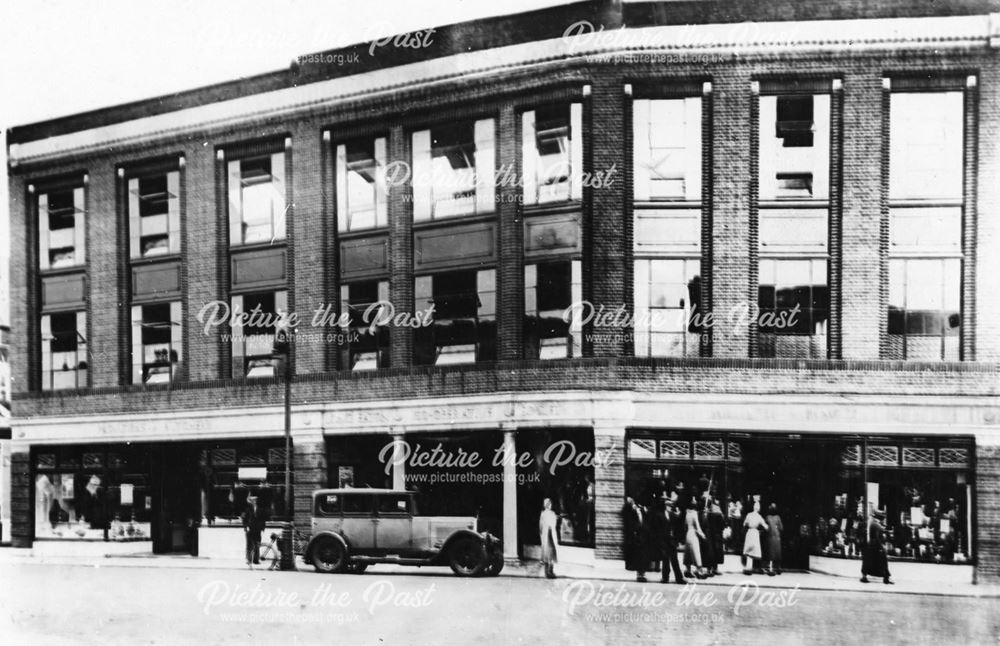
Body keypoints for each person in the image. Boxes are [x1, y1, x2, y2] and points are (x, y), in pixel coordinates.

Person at [649, 494, 685, 585]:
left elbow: (678, 521)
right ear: (665, 506)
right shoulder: (659, 515)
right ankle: (665, 578)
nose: (670, 507)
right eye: (668, 506)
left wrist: (680, 512)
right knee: (665, 560)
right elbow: (657, 529)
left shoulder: (672, 515)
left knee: (674, 560)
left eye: (670, 506)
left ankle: (679, 578)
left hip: (671, 540)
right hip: (663, 540)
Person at [861, 508, 893, 584]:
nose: (883, 519)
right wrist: (882, 547)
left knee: (869, 562)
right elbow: (877, 537)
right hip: (876, 546)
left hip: (872, 546)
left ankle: (864, 576)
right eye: (882, 517)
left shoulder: (873, 523)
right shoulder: (876, 524)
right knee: (883, 562)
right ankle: (886, 578)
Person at [623, 497, 650, 582]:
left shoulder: (643, 512)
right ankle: (639, 574)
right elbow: (628, 519)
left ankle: (643, 574)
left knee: (644, 556)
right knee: (638, 557)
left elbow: (646, 520)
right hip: (636, 536)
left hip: (644, 536)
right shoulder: (632, 512)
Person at [683, 495, 707, 579]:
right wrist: (702, 535)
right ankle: (699, 571)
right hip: (693, 533)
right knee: (696, 552)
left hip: (688, 533)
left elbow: (685, 525)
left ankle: (688, 570)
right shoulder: (694, 513)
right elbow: (697, 526)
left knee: (688, 552)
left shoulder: (687, 513)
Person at [742, 501, 768, 574]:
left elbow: (744, 524)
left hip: (750, 532)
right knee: (754, 550)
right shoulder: (759, 517)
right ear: (759, 508)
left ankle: (748, 567)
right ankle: (754, 567)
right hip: (755, 533)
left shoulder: (749, 515)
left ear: (753, 507)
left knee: (749, 550)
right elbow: (765, 526)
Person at [241, 495, 267, 569]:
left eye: (255, 501)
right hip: (250, 529)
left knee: (257, 545)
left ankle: (256, 560)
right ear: (251, 502)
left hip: (257, 529)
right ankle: (249, 560)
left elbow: (263, 519)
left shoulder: (260, 509)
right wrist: (245, 527)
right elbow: (244, 519)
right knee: (249, 545)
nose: (254, 502)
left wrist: (263, 528)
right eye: (252, 501)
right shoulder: (247, 509)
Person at [539, 497, 559, 579]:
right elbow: (553, 525)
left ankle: (547, 572)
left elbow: (540, 527)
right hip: (549, 534)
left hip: (545, 535)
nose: (550, 505)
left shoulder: (543, 514)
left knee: (547, 553)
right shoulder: (551, 514)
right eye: (549, 504)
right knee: (551, 553)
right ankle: (550, 571)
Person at [764, 503, 784, 575]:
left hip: (770, 536)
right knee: (777, 553)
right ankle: (778, 568)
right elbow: (781, 528)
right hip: (777, 536)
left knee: (771, 553)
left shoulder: (767, 517)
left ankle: (771, 568)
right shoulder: (778, 517)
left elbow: (765, 527)